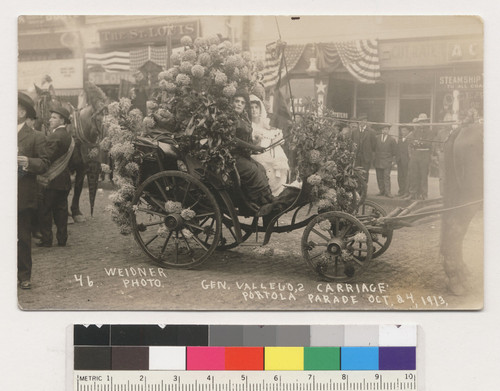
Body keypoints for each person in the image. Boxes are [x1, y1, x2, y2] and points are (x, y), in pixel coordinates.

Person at [18, 92, 50, 289]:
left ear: (21, 112)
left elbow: (45, 163)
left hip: (22, 194)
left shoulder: (35, 136)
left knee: (22, 237)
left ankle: (23, 276)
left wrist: (28, 162)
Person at [37, 105, 73, 247]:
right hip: (64, 180)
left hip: (51, 180)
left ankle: (46, 240)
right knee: (61, 210)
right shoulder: (69, 136)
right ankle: (62, 239)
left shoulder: (54, 136)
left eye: (54, 117)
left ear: (62, 120)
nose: (50, 119)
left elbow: (46, 158)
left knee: (45, 210)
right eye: (51, 117)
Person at [232, 91, 274, 208]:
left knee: (261, 168)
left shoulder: (243, 118)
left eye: (242, 102)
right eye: (236, 101)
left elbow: (246, 139)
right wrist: (253, 147)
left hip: (243, 156)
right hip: (232, 157)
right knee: (253, 171)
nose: (239, 104)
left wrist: (254, 149)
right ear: (232, 102)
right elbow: (233, 139)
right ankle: (258, 202)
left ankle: (261, 200)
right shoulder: (229, 118)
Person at [249, 94, 289, 196]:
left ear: (260, 109)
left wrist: (274, 137)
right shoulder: (249, 125)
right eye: (251, 108)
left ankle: (277, 192)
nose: (254, 110)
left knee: (277, 153)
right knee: (265, 165)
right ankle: (267, 192)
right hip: (257, 152)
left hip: (271, 152)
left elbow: (272, 133)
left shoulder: (265, 123)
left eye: (256, 107)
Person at [405, 113, 434, 200]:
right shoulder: (415, 131)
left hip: (424, 155)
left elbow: (428, 143)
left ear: (426, 122)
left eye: (424, 121)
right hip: (415, 155)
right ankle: (413, 193)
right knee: (414, 174)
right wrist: (417, 143)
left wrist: (418, 143)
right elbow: (410, 141)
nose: (422, 123)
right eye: (420, 122)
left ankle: (424, 194)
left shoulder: (429, 131)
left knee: (423, 175)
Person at [351, 114, 377, 184]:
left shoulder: (372, 132)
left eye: (364, 120)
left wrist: (370, 155)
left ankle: (364, 192)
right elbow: (352, 143)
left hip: (366, 157)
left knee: (365, 175)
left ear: (366, 121)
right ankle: (358, 192)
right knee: (356, 174)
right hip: (357, 157)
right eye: (360, 121)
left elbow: (374, 146)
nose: (362, 122)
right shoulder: (354, 132)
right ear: (358, 122)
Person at [374, 125, 397, 197]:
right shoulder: (377, 138)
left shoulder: (392, 139)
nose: (384, 131)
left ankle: (388, 192)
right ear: (381, 130)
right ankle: (381, 191)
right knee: (379, 176)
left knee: (386, 177)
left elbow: (394, 151)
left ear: (388, 130)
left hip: (387, 161)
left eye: (386, 129)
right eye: (383, 129)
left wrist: (392, 161)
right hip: (378, 160)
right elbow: (374, 148)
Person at [396, 126, 411, 197]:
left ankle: (406, 191)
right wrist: (396, 160)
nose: (403, 132)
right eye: (402, 131)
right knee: (400, 176)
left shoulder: (409, 140)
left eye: (404, 130)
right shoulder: (399, 140)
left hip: (407, 161)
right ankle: (401, 191)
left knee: (406, 176)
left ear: (408, 131)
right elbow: (397, 150)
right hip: (400, 161)